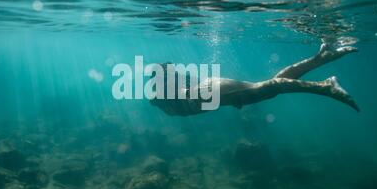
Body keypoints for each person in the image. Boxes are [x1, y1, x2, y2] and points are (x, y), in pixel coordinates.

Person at [150, 42, 360, 116]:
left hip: (212, 92)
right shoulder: (165, 93)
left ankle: (325, 87)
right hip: (214, 89)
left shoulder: (164, 95)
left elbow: (181, 96)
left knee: (272, 87)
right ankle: (321, 58)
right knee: (271, 85)